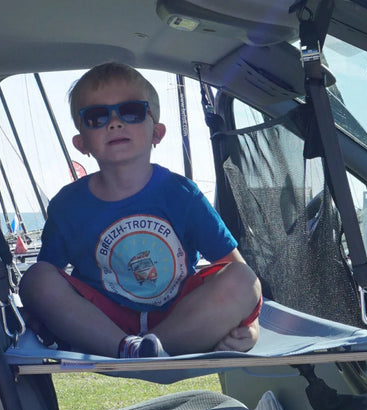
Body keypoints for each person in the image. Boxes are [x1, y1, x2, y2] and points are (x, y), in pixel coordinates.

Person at [19, 62, 262, 358]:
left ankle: (155, 348)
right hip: (105, 322)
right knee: (35, 278)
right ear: (81, 143)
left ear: (157, 133)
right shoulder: (67, 205)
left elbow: (235, 268)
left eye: (131, 111)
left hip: (179, 316)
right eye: (96, 117)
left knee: (243, 278)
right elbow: (51, 282)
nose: (115, 123)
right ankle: (128, 349)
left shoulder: (182, 194)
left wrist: (250, 325)